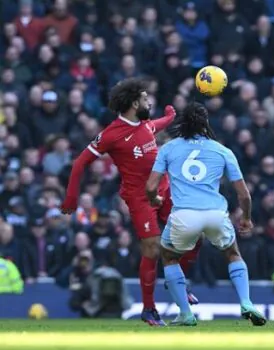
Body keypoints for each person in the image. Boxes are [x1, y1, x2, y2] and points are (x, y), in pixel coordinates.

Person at [61, 78, 200, 326]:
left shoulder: (144, 124)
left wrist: (169, 117)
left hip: (166, 188)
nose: (149, 102)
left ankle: (179, 285)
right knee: (152, 248)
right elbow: (80, 163)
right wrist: (71, 197)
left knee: (192, 234)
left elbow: (153, 127)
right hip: (139, 197)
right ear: (135, 103)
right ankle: (149, 309)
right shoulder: (111, 134)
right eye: (146, 99)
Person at [145, 102, 267, 327]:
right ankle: (246, 302)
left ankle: (185, 314)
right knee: (232, 253)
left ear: (182, 122)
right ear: (206, 123)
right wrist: (247, 218)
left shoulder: (169, 148)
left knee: (169, 257)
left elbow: (151, 186)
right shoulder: (222, 151)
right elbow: (244, 195)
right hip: (215, 214)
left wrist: (155, 200)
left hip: (184, 215)